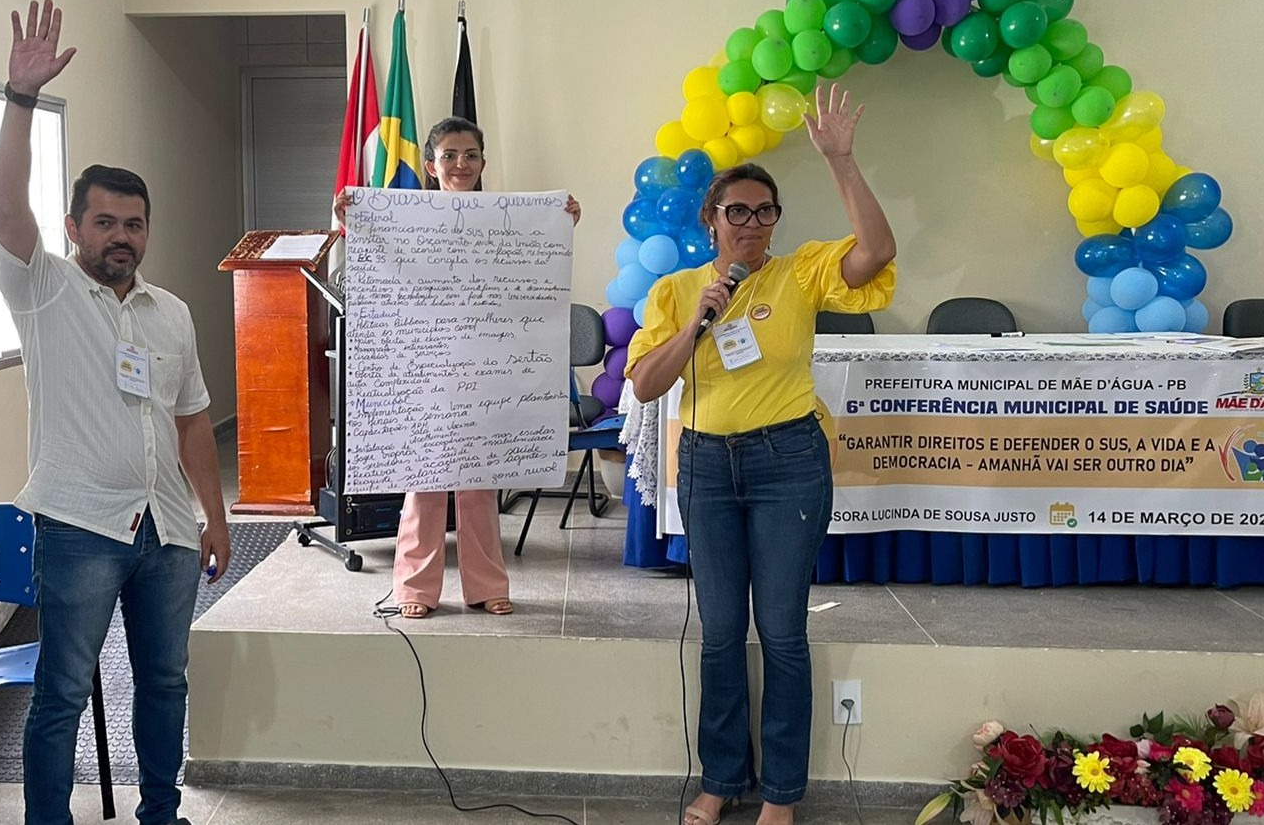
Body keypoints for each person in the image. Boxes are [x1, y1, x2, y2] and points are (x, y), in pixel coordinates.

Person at [0, 0, 231, 825]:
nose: (120, 236)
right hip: (80, 528)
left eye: (133, 223)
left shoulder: (172, 313)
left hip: (167, 531)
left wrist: (214, 516)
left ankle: (160, 813)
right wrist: (20, 99)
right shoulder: (45, 289)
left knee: (164, 681)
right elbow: (7, 208)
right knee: (61, 691)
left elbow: (192, 420)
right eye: (104, 222)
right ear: (74, 227)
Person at [625, 85, 896, 825]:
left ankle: (780, 792)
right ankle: (721, 780)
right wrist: (698, 322)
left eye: (764, 211)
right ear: (711, 219)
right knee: (719, 634)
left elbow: (876, 252)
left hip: (788, 464)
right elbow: (646, 385)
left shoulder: (800, 272)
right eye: (737, 211)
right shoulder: (677, 290)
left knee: (781, 632)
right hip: (708, 467)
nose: (751, 223)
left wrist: (841, 161)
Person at [334, 116, 580, 618]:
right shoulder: (407, 219)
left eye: (470, 155)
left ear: (483, 162)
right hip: (425, 367)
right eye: (449, 155)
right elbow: (381, 260)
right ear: (431, 165)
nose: (460, 164)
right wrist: (350, 218)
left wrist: (561, 222)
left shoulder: (505, 220)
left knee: (479, 483)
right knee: (423, 482)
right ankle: (414, 589)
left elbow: (534, 264)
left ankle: (487, 585)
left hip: (487, 369)